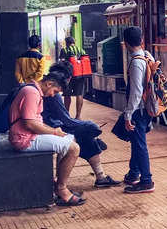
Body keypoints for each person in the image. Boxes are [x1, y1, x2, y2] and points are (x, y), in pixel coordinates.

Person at [9, 70, 85, 206]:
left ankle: (59, 181)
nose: (52, 95)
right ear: (49, 84)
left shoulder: (33, 91)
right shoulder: (31, 93)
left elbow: (34, 121)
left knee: (70, 139)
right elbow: (30, 123)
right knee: (74, 148)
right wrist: (54, 132)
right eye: (55, 91)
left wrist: (55, 132)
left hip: (28, 135)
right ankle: (61, 189)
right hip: (24, 139)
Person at [43, 61, 120, 189]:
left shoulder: (46, 86)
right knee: (82, 137)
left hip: (50, 126)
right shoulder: (53, 94)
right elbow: (67, 121)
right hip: (49, 128)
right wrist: (91, 125)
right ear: (67, 78)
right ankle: (61, 185)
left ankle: (101, 177)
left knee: (86, 137)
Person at [122, 26, 155, 194]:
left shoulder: (136, 63)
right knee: (136, 142)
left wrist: (128, 115)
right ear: (141, 40)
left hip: (138, 110)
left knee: (140, 144)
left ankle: (146, 180)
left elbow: (135, 92)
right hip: (146, 108)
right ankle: (134, 173)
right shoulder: (147, 55)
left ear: (126, 43)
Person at [60, 36, 86, 119]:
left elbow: (62, 62)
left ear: (67, 43)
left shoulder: (64, 50)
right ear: (74, 42)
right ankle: (78, 116)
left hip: (68, 76)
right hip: (80, 75)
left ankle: (66, 114)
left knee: (67, 95)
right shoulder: (80, 49)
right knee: (79, 94)